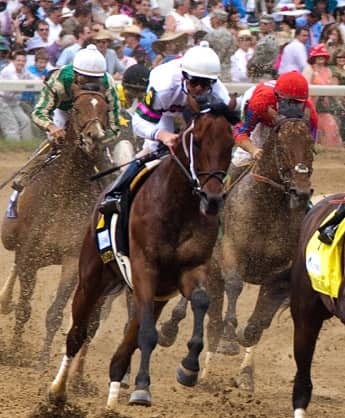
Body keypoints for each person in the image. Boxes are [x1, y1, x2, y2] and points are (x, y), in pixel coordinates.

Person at [99, 41, 241, 215]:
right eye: (194, 82)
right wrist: (162, 135)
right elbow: (138, 123)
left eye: (205, 84)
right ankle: (116, 194)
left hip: (192, 114)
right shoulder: (163, 87)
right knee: (151, 151)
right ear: (184, 76)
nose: (198, 89)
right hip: (164, 113)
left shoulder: (219, 94)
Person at [8, 44, 120, 218]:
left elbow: (115, 126)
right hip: (62, 113)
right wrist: (52, 128)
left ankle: (115, 197)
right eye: (85, 78)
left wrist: (100, 139)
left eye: (95, 79)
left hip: (93, 118)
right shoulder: (59, 80)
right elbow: (39, 111)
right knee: (51, 146)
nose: (91, 83)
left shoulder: (108, 84)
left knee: (105, 162)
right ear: (75, 75)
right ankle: (19, 190)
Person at [231, 71, 318, 177]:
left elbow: (308, 146)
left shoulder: (310, 112)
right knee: (242, 159)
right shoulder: (260, 102)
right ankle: (225, 188)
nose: (292, 108)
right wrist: (253, 150)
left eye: (297, 103)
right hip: (263, 116)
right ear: (277, 96)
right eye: (288, 102)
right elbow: (240, 132)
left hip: (274, 110)